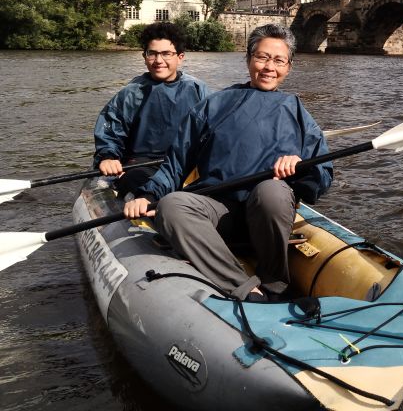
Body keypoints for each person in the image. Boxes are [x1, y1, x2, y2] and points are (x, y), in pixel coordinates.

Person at [128, 24, 333, 302]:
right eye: (261, 57)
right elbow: (177, 162)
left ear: (289, 67)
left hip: (267, 215)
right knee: (172, 205)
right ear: (248, 59)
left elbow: (321, 178)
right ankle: (244, 287)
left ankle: (275, 282)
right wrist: (148, 195)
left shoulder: (298, 113)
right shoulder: (215, 104)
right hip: (216, 212)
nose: (268, 67)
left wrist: (301, 167)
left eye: (278, 60)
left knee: (270, 191)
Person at [94, 22, 208, 198]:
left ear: (180, 57)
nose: (158, 61)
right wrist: (108, 157)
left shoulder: (198, 90)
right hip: (141, 166)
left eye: (166, 54)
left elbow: (216, 131)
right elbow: (111, 130)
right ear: (144, 56)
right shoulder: (131, 93)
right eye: (152, 54)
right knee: (137, 182)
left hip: (185, 165)